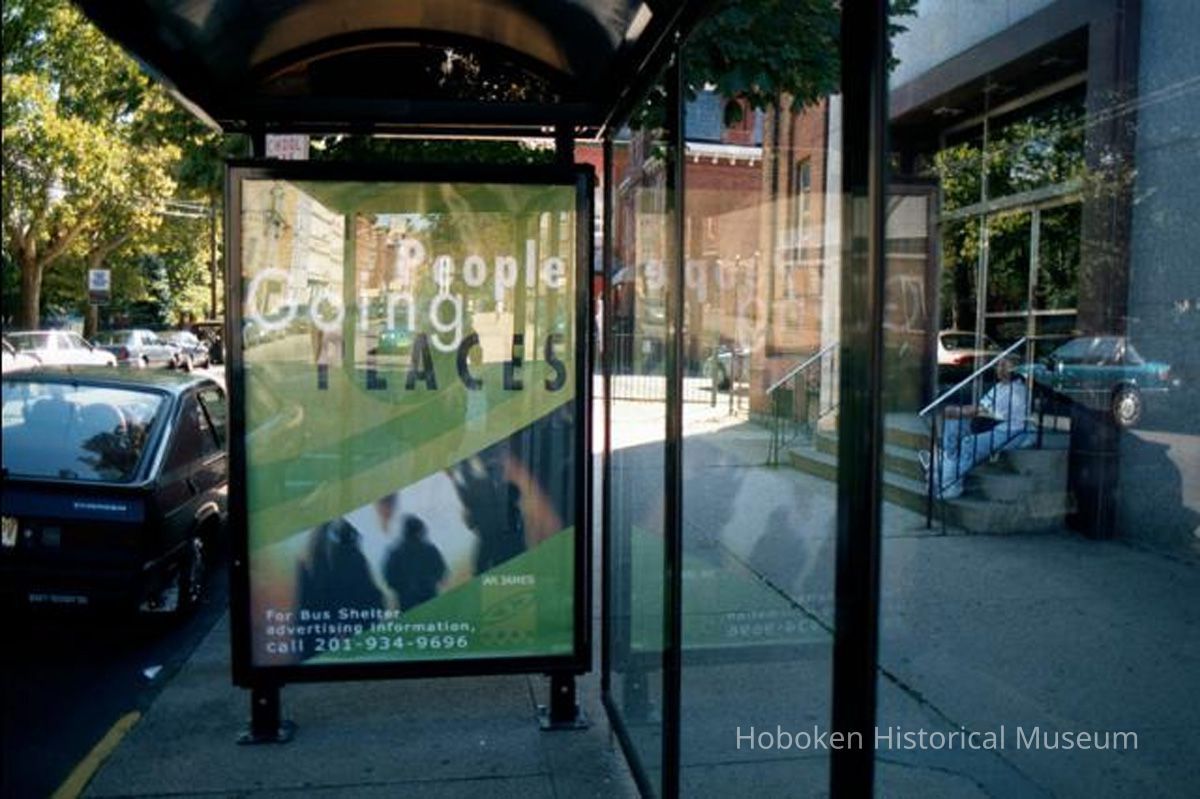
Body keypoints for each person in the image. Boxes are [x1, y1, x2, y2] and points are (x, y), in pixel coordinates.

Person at [921, 355, 1033, 499]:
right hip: (996, 426)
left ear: (1014, 370)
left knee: (968, 445)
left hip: (1013, 433)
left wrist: (954, 411)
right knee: (955, 425)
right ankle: (945, 463)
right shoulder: (1000, 386)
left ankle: (948, 479)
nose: (999, 369)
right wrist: (955, 413)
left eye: (1004, 366)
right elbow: (981, 407)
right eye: (999, 365)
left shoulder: (1015, 390)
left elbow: (978, 409)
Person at [383, 515, 448, 612]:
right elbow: (441, 570)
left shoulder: (395, 553)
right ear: (420, 530)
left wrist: (401, 589)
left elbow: (389, 578)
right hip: (429, 597)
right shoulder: (429, 549)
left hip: (406, 602)